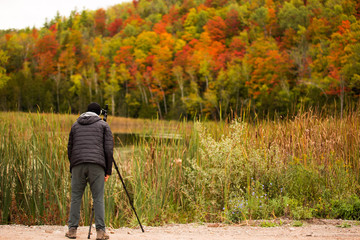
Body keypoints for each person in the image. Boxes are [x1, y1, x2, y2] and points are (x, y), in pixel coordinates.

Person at [66, 102, 114, 240]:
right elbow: (108, 150)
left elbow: (70, 147)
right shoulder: (103, 125)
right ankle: (100, 232)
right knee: (98, 197)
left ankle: (72, 231)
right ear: (99, 113)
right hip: (96, 165)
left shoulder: (75, 125)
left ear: (86, 111)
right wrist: (108, 171)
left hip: (77, 164)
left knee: (75, 197)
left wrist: (74, 164)